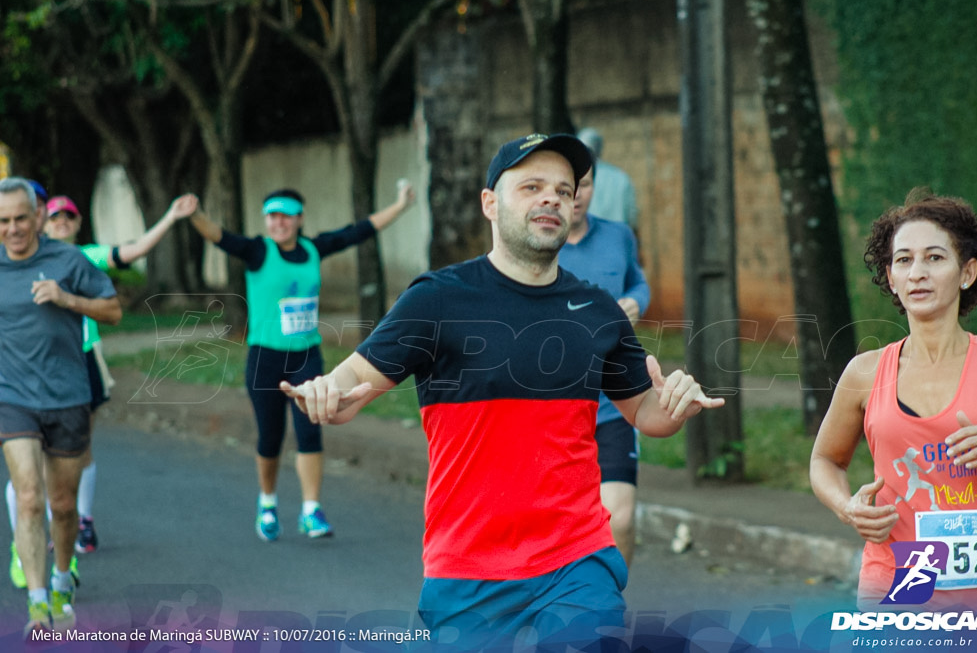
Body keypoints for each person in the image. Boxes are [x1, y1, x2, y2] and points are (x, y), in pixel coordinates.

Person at [280, 134, 723, 649]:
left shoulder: (598, 310)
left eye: (563, 189)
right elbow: (349, 380)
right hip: (467, 565)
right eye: (532, 186)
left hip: (576, 558)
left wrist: (674, 405)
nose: (552, 199)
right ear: (490, 203)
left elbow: (646, 412)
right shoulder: (438, 300)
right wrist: (325, 394)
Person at [809, 187, 977, 617]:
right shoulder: (865, 373)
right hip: (899, 580)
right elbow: (824, 461)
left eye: (934, 258)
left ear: (967, 272)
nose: (917, 273)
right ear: (890, 277)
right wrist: (847, 507)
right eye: (903, 260)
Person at [188, 184, 414, 542]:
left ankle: (311, 510)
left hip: (307, 355)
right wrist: (195, 214)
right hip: (265, 358)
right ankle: (267, 503)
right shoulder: (258, 251)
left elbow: (359, 231)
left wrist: (400, 204)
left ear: (299, 219)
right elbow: (220, 237)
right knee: (271, 435)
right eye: (272, 216)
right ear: (266, 221)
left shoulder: (312, 249)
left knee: (311, 428)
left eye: (286, 216)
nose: (279, 223)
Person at [5, 192, 198, 585]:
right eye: (55, 217)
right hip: (18, 381)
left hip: (79, 364)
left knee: (71, 463)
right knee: (26, 476)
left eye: (66, 217)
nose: (60, 223)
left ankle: (79, 520)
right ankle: (24, 546)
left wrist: (170, 217)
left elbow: (134, 252)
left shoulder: (83, 258)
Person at [0, 177, 122, 635]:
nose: (12, 229)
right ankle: (36, 604)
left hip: (69, 395)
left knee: (62, 505)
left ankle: (61, 578)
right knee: (28, 498)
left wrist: (67, 298)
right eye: (2, 221)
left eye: (19, 219)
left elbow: (113, 312)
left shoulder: (68, 261)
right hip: (11, 397)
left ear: (37, 217)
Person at [559, 162, 650, 567]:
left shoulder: (618, 236)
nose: (576, 195)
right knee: (560, 528)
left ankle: (612, 613)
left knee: (621, 518)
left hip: (615, 401)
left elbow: (638, 281)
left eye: (585, 185)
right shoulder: (535, 245)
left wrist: (637, 301)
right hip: (553, 407)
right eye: (567, 186)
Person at [576, 127, 638, 229]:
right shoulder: (621, 177)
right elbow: (633, 218)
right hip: (618, 237)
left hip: (588, 236)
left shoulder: (579, 176)